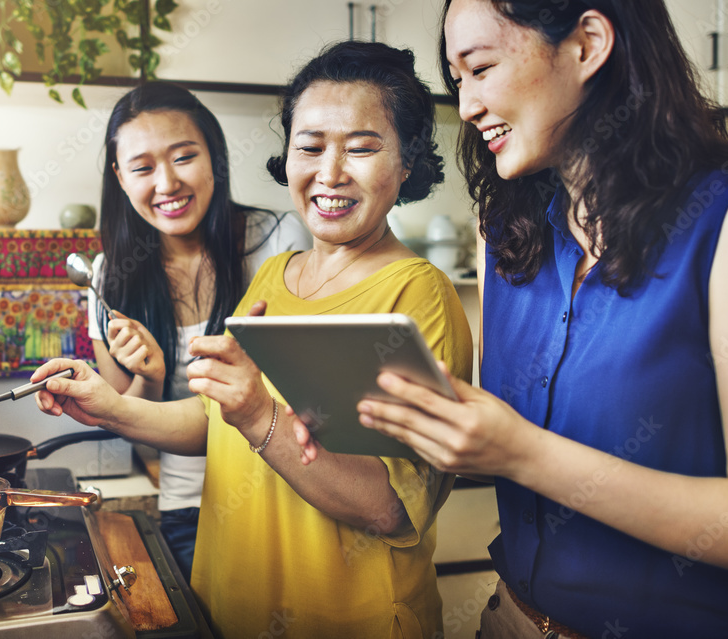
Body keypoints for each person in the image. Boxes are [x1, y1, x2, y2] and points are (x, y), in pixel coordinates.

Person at [339, 1, 728, 637]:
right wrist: (385, 418)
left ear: (588, 43)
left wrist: (521, 451)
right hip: (511, 620)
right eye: (458, 81)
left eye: (481, 67)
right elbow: (503, 445)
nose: (470, 104)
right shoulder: (506, 233)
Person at [34, 41, 473, 638]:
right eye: (310, 147)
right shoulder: (274, 275)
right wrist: (111, 406)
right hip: (233, 604)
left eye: (362, 148)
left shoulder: (418, 296)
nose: (330, 172)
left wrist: (259, 410)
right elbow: (216, 421)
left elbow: (390, 506)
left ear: (406, 163)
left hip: (348, 619)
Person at [87, 81, 312, 581]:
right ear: (120, 177)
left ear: (215, 157)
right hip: (186, 510)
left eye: (183, 157)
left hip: (283, 497)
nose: (166, 184)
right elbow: (131, 424)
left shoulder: (277, 241)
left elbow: (300, 398)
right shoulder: (107, 276)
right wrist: (150, 376)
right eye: (143, 168)